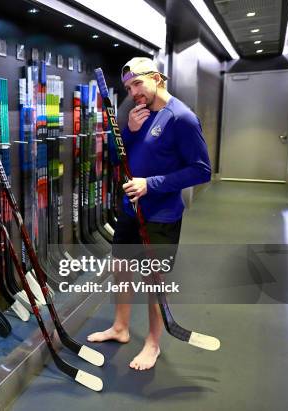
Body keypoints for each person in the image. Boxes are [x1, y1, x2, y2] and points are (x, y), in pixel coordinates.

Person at [87, 57, 211, 370]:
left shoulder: (181, 118)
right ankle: (120, 327)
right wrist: (128, 130)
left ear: (156, 77)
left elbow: (201, 170)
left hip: (161, 216)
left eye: (137, 84)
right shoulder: (134, 112)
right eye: (128, 87)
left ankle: (153, 344)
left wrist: (150, 184)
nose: (133, 92)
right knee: (121, 268)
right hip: (130, 210)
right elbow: (119, 157)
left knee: (154, 280)